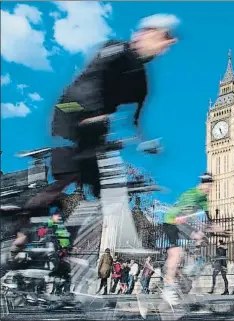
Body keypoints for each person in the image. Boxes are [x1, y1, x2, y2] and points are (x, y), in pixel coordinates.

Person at [14, 14, 180, 250]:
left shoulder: (141, 82)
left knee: (103, 187)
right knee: (69, 175)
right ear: (145, 33)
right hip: (69, 113)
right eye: (163, 37)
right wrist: (94, 114)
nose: (166, 45)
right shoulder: (115, 50)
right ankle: (21, 230)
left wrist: (143, 142)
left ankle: (68, 247)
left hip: (96, 128)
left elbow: (133, 119)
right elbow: (91, 81)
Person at [161, 173, 214, 305]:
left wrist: (217, 229)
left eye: (211, 186)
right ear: (201, 184)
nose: (210, 188)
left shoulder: (204, 199)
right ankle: (168, 287)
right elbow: (181, 218)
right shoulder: (190, 195)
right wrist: (193, 233)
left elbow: (210, 220)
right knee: (176, 252)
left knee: (201, 241)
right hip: (172, 220)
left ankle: (188, 267)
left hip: (183, 222)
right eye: (208, 185)